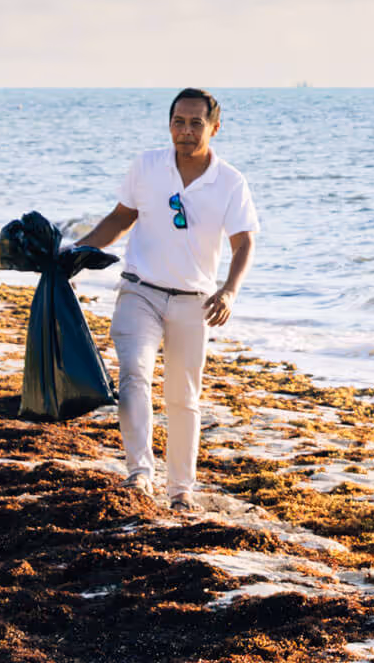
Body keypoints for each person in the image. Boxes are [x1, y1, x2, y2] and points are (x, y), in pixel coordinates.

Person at [74, 88, 258, 513]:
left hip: (195, 302)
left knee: (183, 396)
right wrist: (76, 252)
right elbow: (121, 218)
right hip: (140, 290)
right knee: (134, 376)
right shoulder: (148, 166)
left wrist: (229, 290)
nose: (186, 131)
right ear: (169, 123)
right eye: (179, 121)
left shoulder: (229, 181)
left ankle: (181, 489)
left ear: (215, 127)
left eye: (196, 123)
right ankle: (140, 473)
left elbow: (245, 242)